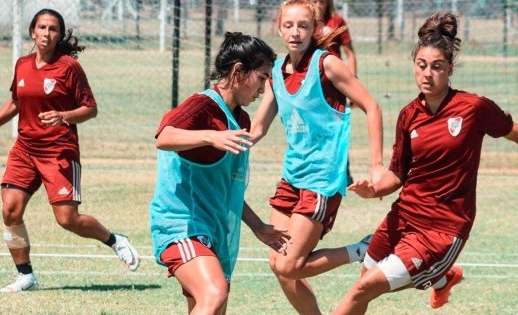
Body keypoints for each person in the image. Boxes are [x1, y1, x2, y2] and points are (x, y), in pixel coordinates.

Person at [332, 12, 518, 314]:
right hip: (404, 214)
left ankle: (439, 274)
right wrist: (375, 188)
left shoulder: (472, 108)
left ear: (450, 69)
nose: (427, 74)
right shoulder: (409, 115)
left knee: (362, 289)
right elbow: (397, 174)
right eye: (421, 66)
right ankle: (441, 278)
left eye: (437, 67)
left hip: (442, 228)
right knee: (364, 282)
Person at [0, 8, 140, 293]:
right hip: (25, 149)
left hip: (59, 152)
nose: (46, 33)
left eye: (53, 29)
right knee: (10, 211)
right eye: (42, 27)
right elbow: (15, 103)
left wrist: (63, 116)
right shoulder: (22, 64)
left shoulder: (68, 67)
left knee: (67, 220)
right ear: (33, 31)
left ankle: (114, 239)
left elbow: (91, 109)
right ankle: (26, 276)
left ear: (59, 35)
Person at [250, 1, 385, 313]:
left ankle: (363, 249)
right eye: (289, 25)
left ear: (314, 29)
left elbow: (372, 106)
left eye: (303, 26)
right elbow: (257, 129)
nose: (295, 32)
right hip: (291, 178)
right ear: (278, 28)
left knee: (289, 266)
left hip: (322, 179)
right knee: (278, 264)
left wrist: (376, 164)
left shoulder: (326, 65)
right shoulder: (276, 73)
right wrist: (218, 140)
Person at [149, 32, 291, 314]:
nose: (263, 88)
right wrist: (210, 137)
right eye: (262, 78)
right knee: (215, 294)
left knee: (211, 304)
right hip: (182, 226)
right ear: (239, 71)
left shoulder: (241, 118)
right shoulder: (203, 105)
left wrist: (258, 226)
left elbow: (227, 186)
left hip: (213, 230)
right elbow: (164, 137)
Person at [312, 0, 358, 185]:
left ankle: (344, 173)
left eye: (321, 1)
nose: (318, 5)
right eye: (313, 1)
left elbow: (350, 54)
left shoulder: (337, 21)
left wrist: (352, 85)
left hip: (335, 85)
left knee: (338, 126)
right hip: (314, 84)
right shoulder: (307, 23)